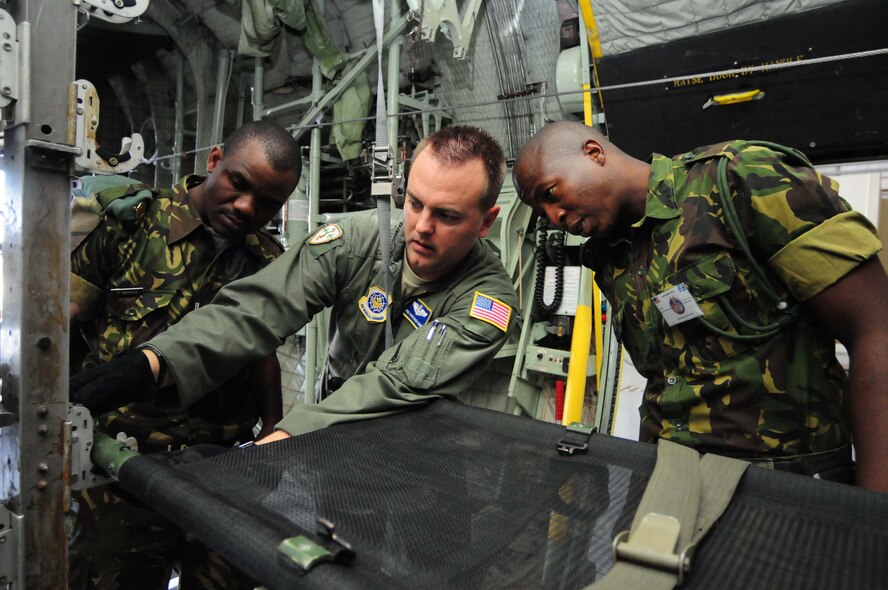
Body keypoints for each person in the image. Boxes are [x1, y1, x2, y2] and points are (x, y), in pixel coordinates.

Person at [69, 124, 519, 443]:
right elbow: (257, 311)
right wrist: (150, 363)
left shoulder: (488, 302)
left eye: (447, 215)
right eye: (415, 203)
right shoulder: (361, 239)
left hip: (412, 454)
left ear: (485, 222)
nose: (421, 226)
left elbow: (395, 384)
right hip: (329, 435)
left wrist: (284, 435)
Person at [513, 120, 888, 493]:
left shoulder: (740, 179)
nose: (555, 218)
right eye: (543, 212)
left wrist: (872, 511)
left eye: (550, 193)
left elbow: (875, 329)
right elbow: (665, 379)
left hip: (782, 479)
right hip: (670, 474)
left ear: (593, 153)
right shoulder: (612, 256)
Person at [68, 119, 302, 589]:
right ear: (214, 161)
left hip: (219, 470)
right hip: (122, 469)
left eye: (267, 203)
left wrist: (273, 436)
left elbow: (262, 354)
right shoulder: (130, 224)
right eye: (238, 184)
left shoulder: (268, 261)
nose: (245, 207)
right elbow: (62, 321)